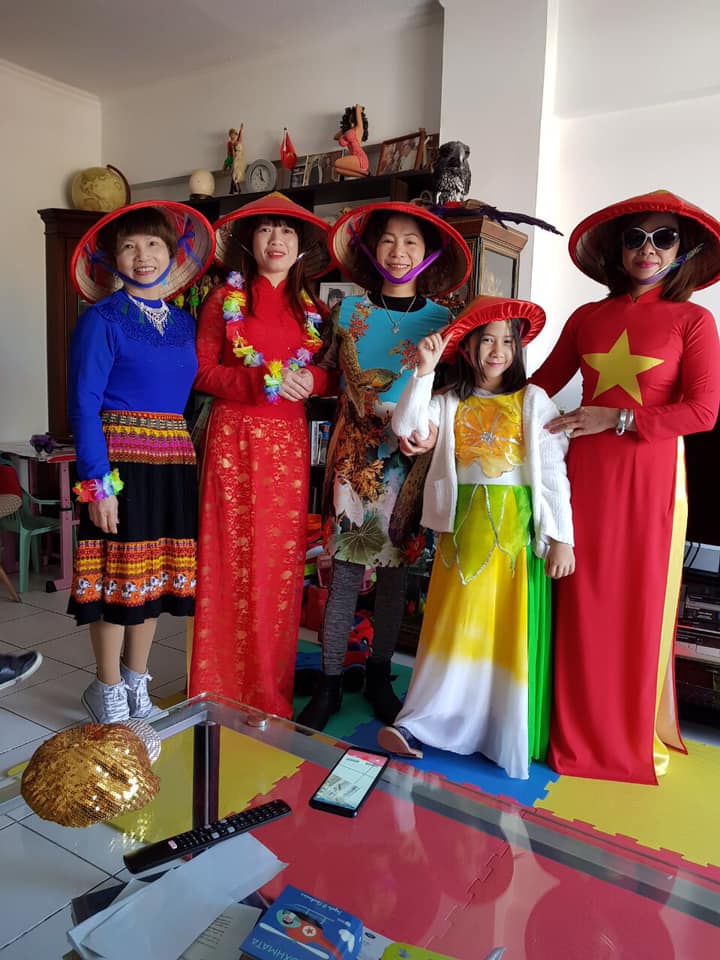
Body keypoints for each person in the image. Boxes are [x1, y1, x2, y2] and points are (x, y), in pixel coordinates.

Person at [531, 190, 720, 784]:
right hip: (583, 475)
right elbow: (538, 388)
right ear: (618, 249)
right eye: (635, 237)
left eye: (663, 237)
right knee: (579, 598)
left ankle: (622, 737)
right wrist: (462, 396)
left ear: (682, 249)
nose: (648, 248)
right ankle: (567, 730)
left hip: (648, 479)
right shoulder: (587, 317)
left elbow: (704, 411)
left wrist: (617, 418)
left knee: (635, 601)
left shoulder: (693, 320)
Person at [377, 296, 574, 779]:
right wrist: (424, 371)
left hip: (514, 539)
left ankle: (498, 731)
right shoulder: (448, 401)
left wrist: (561, 537)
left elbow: (553, 472)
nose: (498, 350)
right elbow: (407, 426)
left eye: (508, 341)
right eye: (487, 340)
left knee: (502, 634)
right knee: (452, 628)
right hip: (462, 535)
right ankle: (421, 724)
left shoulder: (533, 401)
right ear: (467, 348)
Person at [295, 201, 471, 731]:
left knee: (396, 575)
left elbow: (451, 393)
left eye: (411, 241)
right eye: (388, 240)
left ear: (429, 251)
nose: (399, 252)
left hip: (408, 460)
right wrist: (304, 380)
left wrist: (433, 432)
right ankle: (328, 682)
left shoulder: (444, 320)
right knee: (345, 573)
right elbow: (328, 375)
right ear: (373, 249)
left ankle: (379, 675)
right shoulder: (347, 311)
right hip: (354, 457)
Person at [68, 201, 215, 724]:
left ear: (172, 253)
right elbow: (83, 404)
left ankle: (136, 683)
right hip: (118, 466)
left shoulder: (184, 323)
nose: (142, 255)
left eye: (153, 244)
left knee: (152, 580)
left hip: (172, 462)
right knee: (117, 580)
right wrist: (98, 486)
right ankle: (106, 688)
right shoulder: (102, 319)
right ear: (113, 259)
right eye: (129, 246)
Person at [189, 192, 332, 718]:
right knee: (229, 556)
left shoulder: (312, 310)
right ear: (250, 242)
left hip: (288, 444)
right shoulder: (223, 300)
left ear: (301, 246)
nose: (277, 240)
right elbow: (201, 371)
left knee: (277, 564)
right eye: (267, 229)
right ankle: (220, 685)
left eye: (287, 231)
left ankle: (269, 688)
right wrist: (256, 381)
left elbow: (332, 374)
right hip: (234, 440)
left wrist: (312, 379)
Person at [334, 104, 370, 179]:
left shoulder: (359, 129)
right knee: (337, 169)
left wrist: (359, 110)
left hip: (360, 158)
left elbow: (358, 106)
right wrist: (345, 127)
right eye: (350, 120)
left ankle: (366, 173)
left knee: (337, 163)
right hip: (355, 160)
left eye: (353, 120)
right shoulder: (347, 132)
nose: (352, 123)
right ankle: (365, 175)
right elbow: (335, 137)